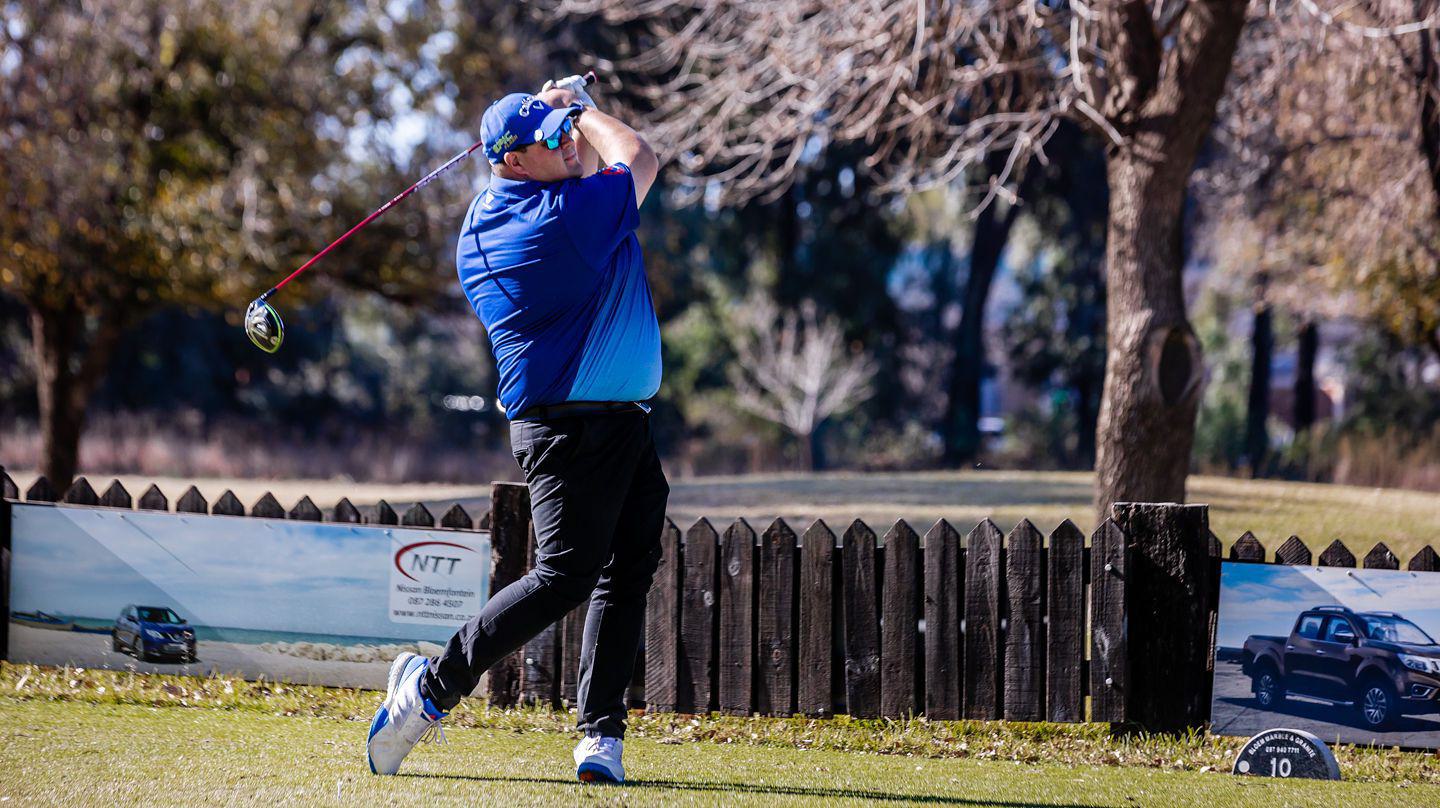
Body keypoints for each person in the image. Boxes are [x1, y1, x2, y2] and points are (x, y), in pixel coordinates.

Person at [364, 76, 665, 784]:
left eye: (566, 132)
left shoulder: (487, 221)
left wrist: (549, 116)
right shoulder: (560, 222)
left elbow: (587, 175)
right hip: (569, 430)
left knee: (625, 571)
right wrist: (582, 109)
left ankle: (600, 736)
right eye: (552, 137)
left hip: (618, 424)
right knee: (565, 575)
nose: (568, 141)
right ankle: (434, 688)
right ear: (515, 162)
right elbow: (639, 159)